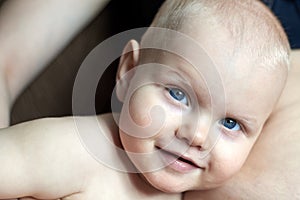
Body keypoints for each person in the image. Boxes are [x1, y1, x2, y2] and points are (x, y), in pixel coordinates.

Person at [0, 0, 296, 200]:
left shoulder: (177, 190)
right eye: (178, 95)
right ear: (128, 71)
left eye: (231, 123)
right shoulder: (72, 151)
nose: (197, 136)